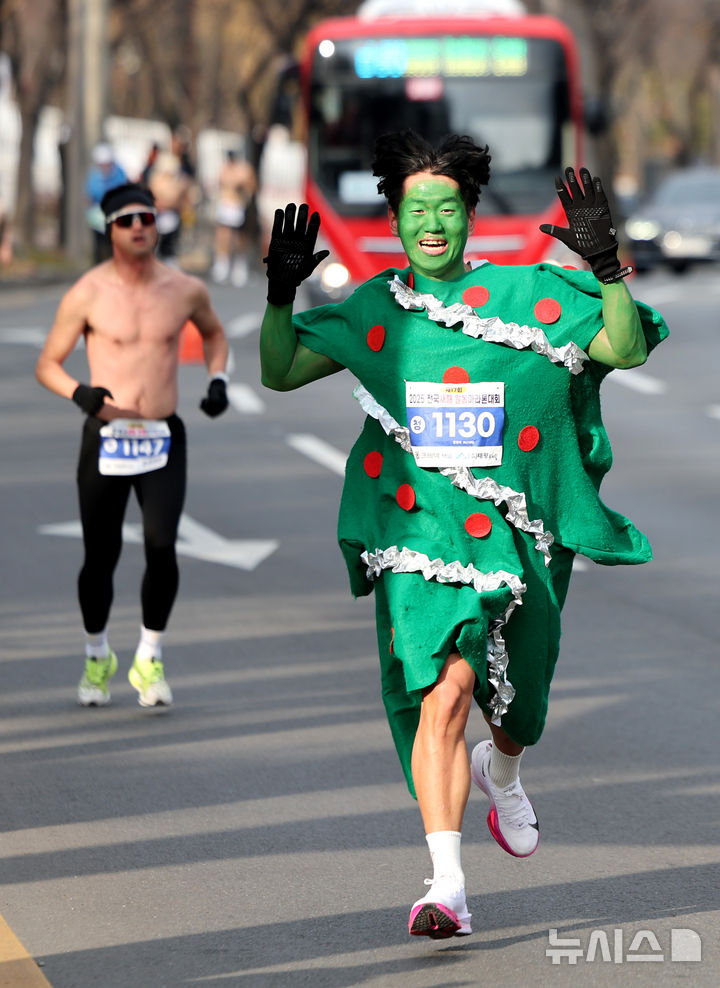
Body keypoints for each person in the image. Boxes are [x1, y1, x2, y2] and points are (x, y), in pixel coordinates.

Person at [259, 131, 668, 939]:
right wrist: (279, 295)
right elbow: (279, 370)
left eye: (448, 206)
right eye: (418, 209)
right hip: (419, 534)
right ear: (396, 217)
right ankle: (446, 886)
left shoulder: (531, 299)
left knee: (521, 710)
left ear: (472, 212)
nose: (434, 223)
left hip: (517, 543)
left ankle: (503, 769)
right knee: (442, 692)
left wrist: (608, 269)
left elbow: (621, 345)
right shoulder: (378, 311)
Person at [35, 182, 230, 709]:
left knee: (162, 546)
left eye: (146, 217)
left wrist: (217, 381)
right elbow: (47, 364)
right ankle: (97, 653)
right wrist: (82, 393)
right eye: (126, 220)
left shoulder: (184, 289)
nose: (139, 227)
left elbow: (214, 334)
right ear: (110, 230)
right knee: (100, 555)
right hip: (107, 436)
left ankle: (149, 655)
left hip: (163, 433)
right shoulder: (87, 293)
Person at [211, 148, 257, 286]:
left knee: (239, 237)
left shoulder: (244, 170)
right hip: (226, 206)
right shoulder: (224, 170)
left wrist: (242, 186)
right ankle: (222, 263)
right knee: (223, 235)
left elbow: (252, 186)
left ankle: (239, 264)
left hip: (239, 206)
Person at [85, 143, 128, 262]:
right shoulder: (95, 175)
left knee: (113, 245)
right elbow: (90, 195)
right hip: (97, 216)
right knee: (99, 246)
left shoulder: (119, 173)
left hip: (115, 214)